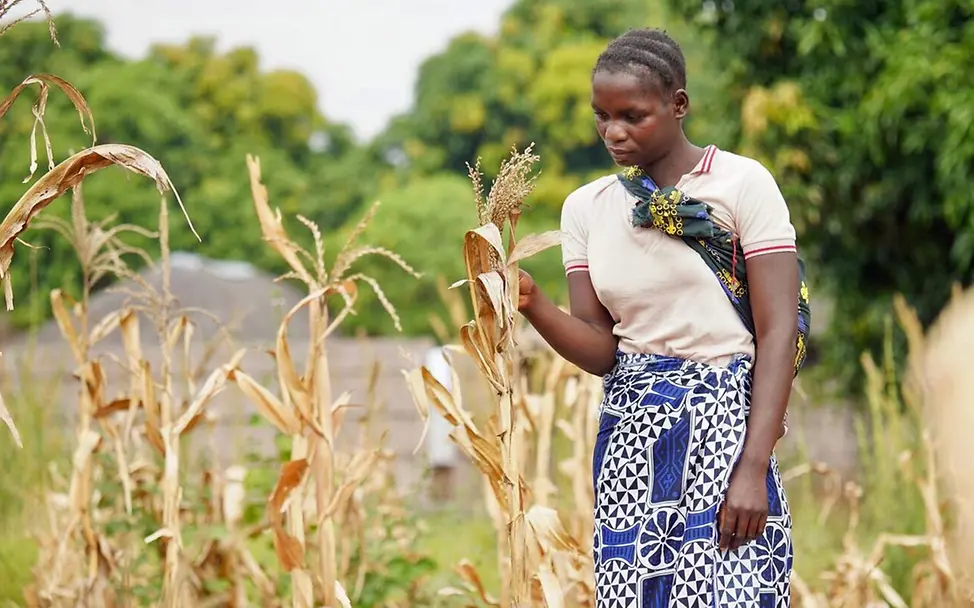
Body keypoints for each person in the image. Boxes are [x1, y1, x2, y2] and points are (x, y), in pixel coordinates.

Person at [517, 28, 800, 606]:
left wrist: (753, 465)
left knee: (736, 592)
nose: (613, 132)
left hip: (726, 427)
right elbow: (603, 350)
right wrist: (533, 304)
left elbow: (778, 333)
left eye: (632, 115)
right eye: (601, 116)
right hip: (631, 434)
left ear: (678, 105)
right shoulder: (587, 208)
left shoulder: (743, 184)